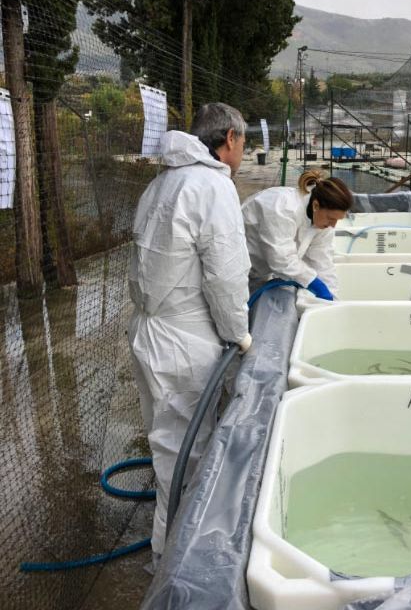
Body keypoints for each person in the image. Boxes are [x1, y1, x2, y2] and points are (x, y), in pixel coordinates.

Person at [127, 102, 252, 564]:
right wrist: (240, 333)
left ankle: (170, 557)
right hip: (182, 342)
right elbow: (225, 274)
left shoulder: (163, 183)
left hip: (149, 330)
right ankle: (175, 570)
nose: (244, 151)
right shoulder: (211, 188)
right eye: (243, 143)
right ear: (230, 140)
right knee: (186, 459)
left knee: (168, 448)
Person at [242, 170, 353, 299]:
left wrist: (332, 297)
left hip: (260, 272)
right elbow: (282, 260)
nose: (333, 225)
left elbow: (322, 262)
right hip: (237, 268)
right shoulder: (283, 207)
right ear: (316, 205)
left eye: (337, 220)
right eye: (331, 218)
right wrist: (314, 283)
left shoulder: (322, 221)